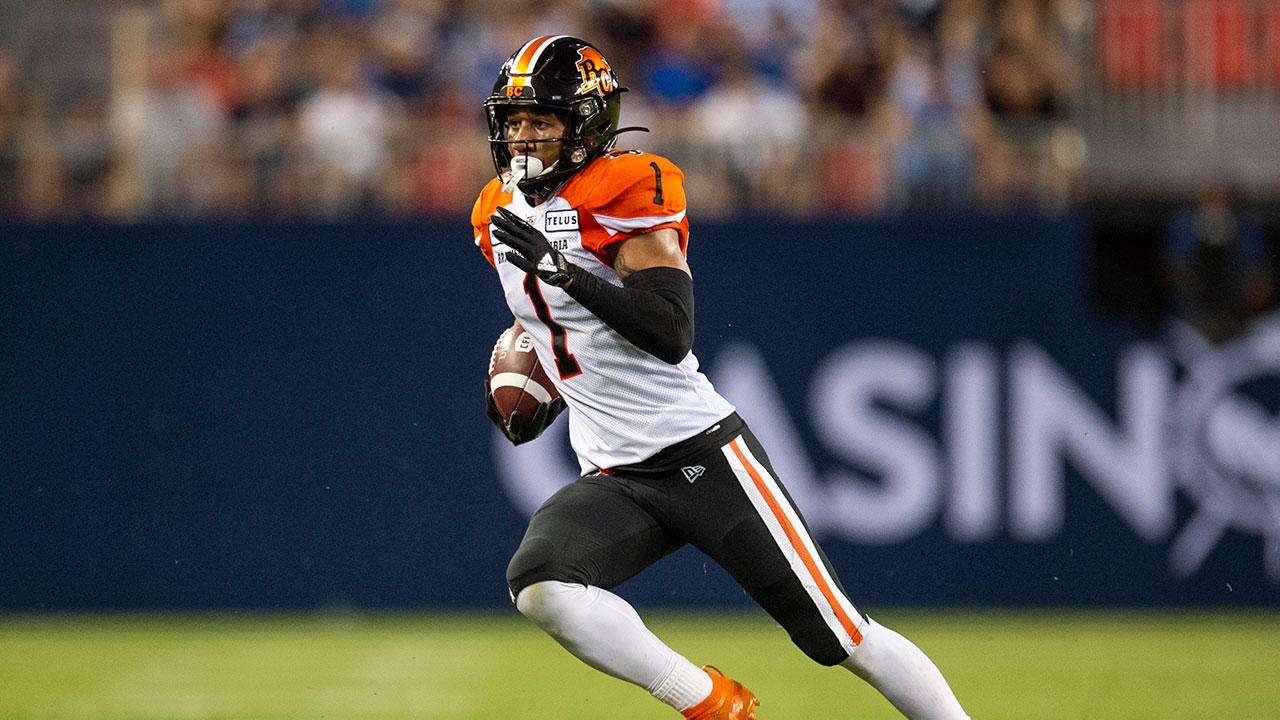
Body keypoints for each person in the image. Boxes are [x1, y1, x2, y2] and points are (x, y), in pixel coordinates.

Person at [471, 35, 971, 720]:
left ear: (587, 126)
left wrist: (564, 272)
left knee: (844, 639)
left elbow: (669, 331)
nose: (525, 138)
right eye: (516, 121)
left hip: (700, 455)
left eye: (544, 121)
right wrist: (542, 381)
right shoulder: (492, 214)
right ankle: (708, 700)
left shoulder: (625, 187)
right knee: (539, 584)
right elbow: (562, 334)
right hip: (616, 475)